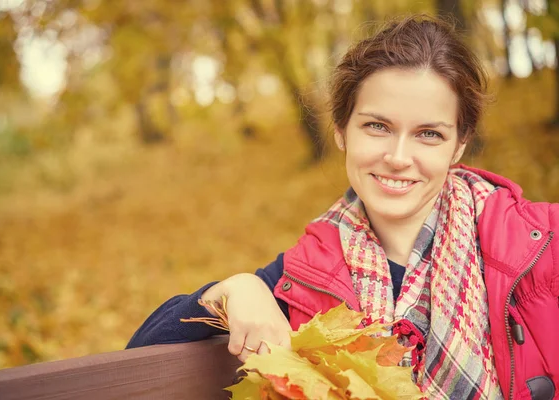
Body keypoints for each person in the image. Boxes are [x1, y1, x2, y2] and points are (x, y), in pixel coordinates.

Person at [126, 15, 559, 400]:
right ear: (341, 132)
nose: (398, 156)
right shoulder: (302, 279)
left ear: (459, 145)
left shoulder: (544, 243)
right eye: (377, 126)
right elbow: (134, 368)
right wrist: (231, 289)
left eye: (429, 134)